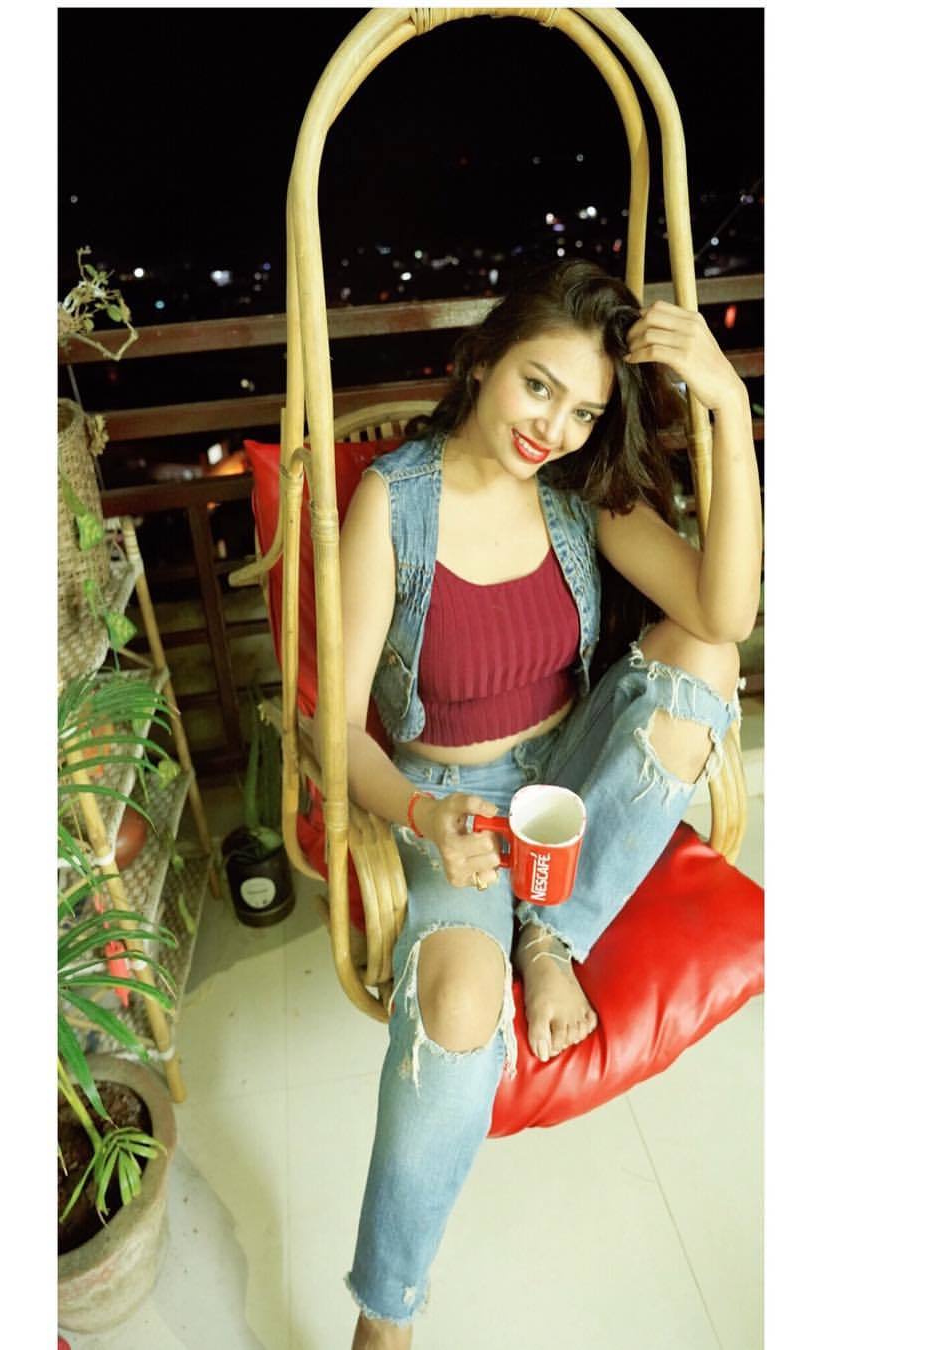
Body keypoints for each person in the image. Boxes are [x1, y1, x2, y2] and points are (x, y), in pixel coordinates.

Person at [337, 259, 762, 1349]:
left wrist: (727, 402)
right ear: (482, 359)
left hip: (565, 781)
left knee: (705, 662)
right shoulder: (395, 501)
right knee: (457, 1011)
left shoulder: (578, 494)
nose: (553, 428)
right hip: (449, 802)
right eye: (539, 387)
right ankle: (386, 1317)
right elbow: (329, 732)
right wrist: (420, 816)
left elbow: (725, 614)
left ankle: (549, 932)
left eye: (582, 411)